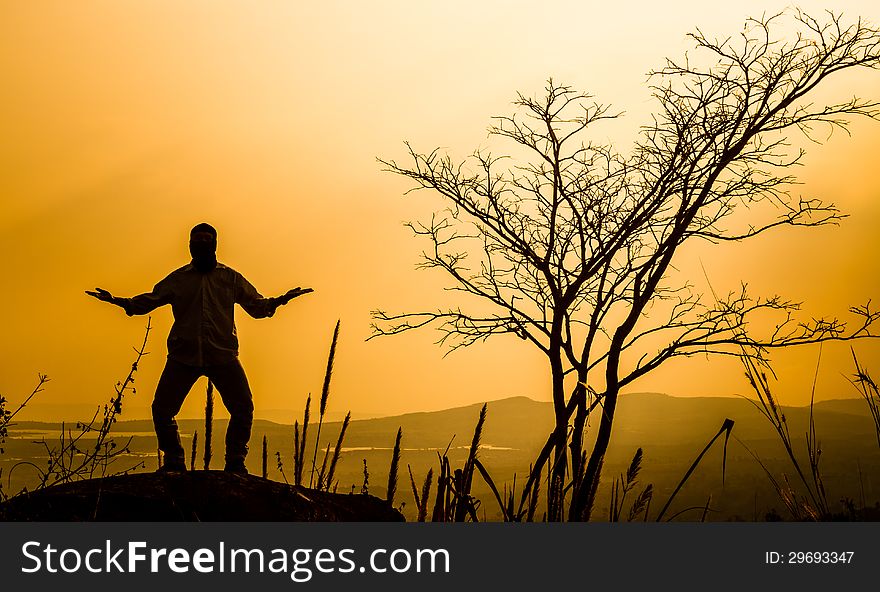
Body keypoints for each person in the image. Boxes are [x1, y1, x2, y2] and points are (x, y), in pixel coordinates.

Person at [86, 223, 312, 475]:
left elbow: (256, 306)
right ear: (190, 246)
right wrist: (117, 301)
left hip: (222, 354)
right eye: (198, 241)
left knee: (243, 407)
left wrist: (280, 301)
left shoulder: (230, 278)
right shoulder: (178, 279)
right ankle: (174, 461)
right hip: (184, 356)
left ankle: (235, 460)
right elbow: (148, 301)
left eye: (207, 240)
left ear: (215, 244)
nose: (202, 245)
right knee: (162, 409)